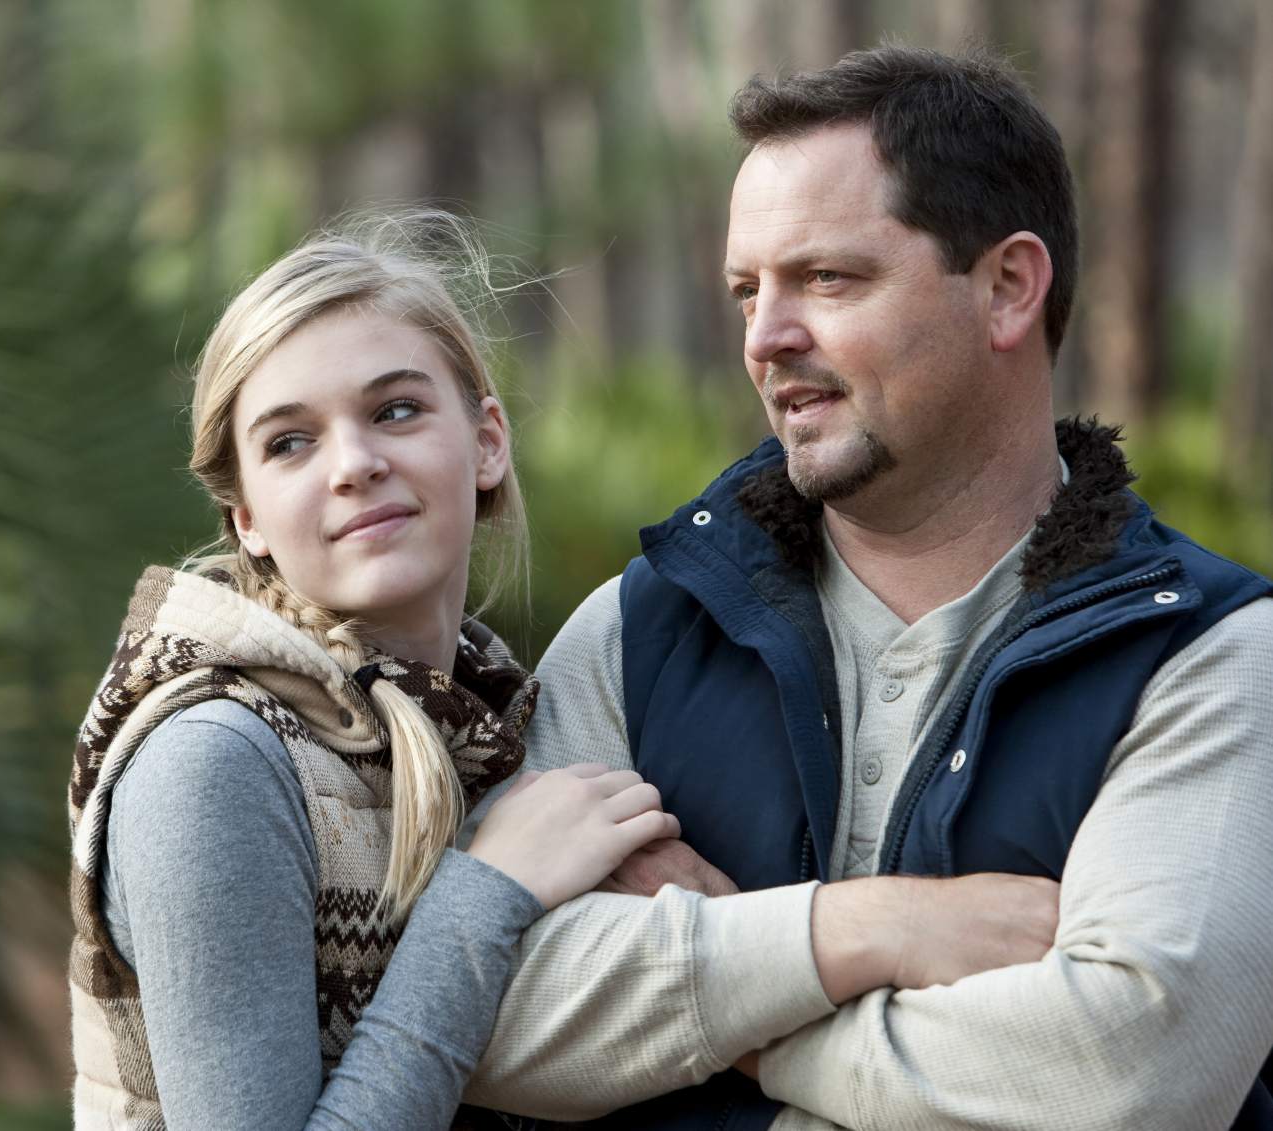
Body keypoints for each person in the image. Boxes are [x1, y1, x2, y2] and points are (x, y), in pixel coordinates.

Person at [459, 45, 1273, 1131]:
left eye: (827, 279)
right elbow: (489, 1013)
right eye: (748, 290)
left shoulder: (1205, 654)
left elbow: (1132, 1074)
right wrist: (860, 931)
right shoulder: (644, 626)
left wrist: (730, 1011)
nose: (765, 338)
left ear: (1007, 288)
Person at [62, 213, 688, 1131]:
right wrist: (488, 894)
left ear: (487, 442)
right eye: (289, 442)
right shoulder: (214, 761)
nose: (355, 464)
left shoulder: (497, 719)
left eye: (395, 410)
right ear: (247, 521)